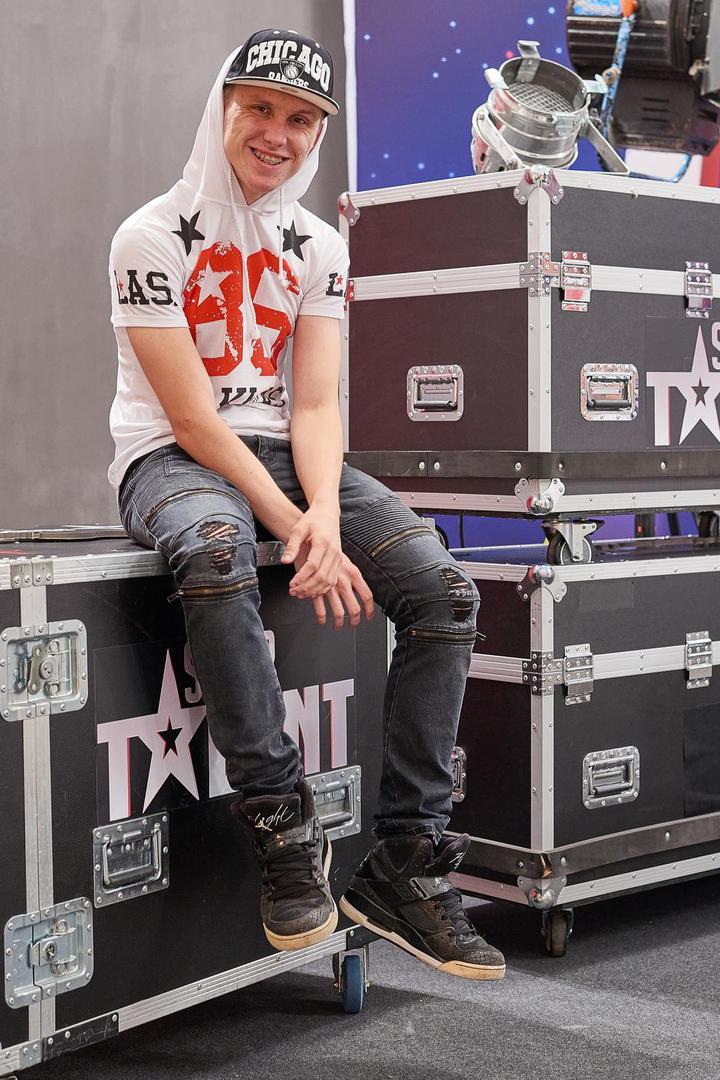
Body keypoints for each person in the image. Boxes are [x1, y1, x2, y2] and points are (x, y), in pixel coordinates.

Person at [108, 28, 505, 981]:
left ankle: (406, 859)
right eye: (259, 108)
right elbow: (193, 420)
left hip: (292, 459)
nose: (276, 133)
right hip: (170, 458)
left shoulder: (320, 244)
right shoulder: (147, 236)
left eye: (300, 119)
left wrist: (321, 513)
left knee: (445, 592)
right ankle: (284, 827)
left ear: (318, 133)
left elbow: (317, 405)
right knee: (215, 548)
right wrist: (292, 527)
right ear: (222, 109)